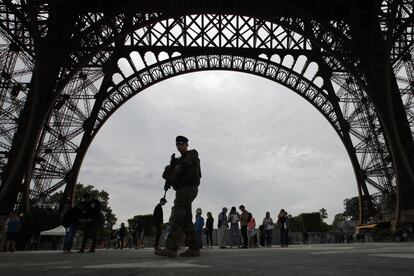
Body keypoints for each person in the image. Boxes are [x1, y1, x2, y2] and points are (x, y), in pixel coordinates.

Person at [155, 135, 202, 258]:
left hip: (189, 188)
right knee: (186, 220)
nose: (179, 146)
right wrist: (169, 171)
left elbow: (189, 161)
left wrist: (178, 167)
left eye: (181, 143)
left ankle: (171, 247)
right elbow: (167, 175)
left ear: (187, 144)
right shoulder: (177, 161)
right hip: (182, 190)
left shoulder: (192, 154)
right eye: (177, 144)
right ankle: (193, 248)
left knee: (176, 214)